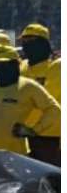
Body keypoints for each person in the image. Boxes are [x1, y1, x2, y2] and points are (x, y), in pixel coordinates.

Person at [0, 45, 60, 156]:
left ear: (13, 65)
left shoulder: (28, 86)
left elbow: (54, 110)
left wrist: (34, 130)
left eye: (1, 65)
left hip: (16, 155)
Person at [19, 23, 61, 165]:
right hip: (23, 134)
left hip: (50, 135)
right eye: (24, 42)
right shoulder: (22, 66)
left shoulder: (56, 66)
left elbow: (47, 100)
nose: (26, 45)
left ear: (44, 44)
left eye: (32, 41)